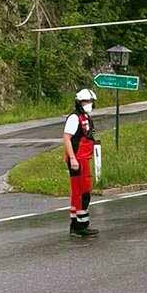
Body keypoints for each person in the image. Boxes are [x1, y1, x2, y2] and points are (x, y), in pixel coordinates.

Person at [63, 88, 99, 237]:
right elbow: (67, 138)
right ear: (79, 102)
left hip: (84, 158)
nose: (88, 104)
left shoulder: (85, 117)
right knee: (81, 193)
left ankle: (77, 224)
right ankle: (80, 226)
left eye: (90, 101)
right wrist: (72, 158)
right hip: (77, 159)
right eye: (85, 101)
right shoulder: (74, 118)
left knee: (83, 191)